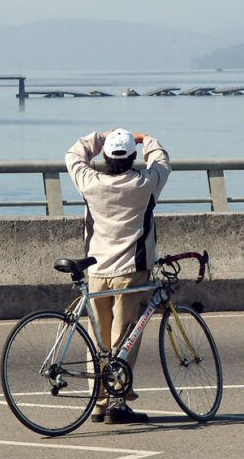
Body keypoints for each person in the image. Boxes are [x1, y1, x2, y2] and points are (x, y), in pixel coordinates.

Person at [65, 128, 171, 424]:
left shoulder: (90, 182)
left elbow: (73, 155)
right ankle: (117, 402)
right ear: (134, 157)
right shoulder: (145, 184)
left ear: (104, 157)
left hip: (97, 269)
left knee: (99, 338)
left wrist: (99, 136)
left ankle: (98, 402)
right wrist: (146, 138)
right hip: (131, 272)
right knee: (124, 339)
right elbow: (162, 160)